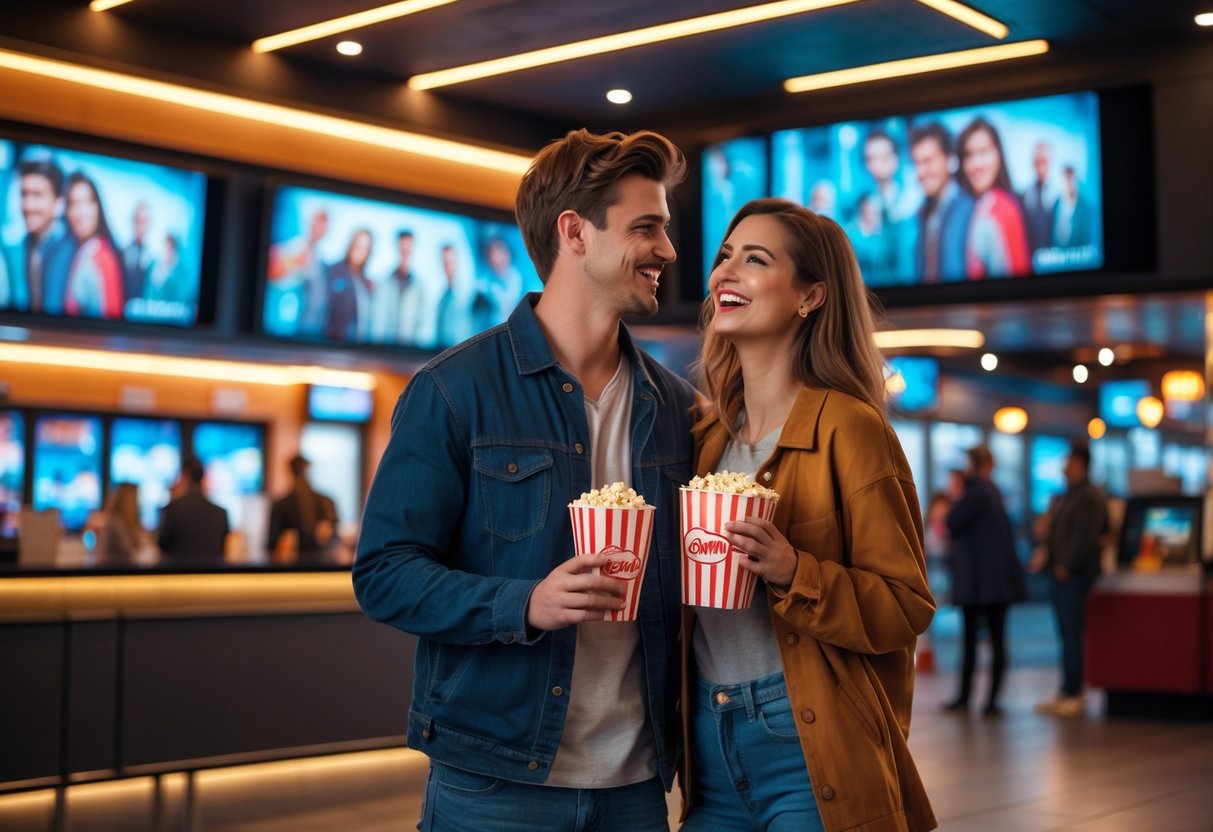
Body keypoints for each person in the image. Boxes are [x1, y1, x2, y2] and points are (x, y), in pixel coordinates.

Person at [353, 129, 694, 831]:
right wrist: (524, 603)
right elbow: (383, 573)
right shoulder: (454, 390)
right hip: (493, 780)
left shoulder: (677, 408)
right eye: (645, 228)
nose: (667, 250)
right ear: (574, 232)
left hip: (636, 785)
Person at [681, 197, 936, 831]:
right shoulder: (702, 437)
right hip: (708, 745)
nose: (726, 273)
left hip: (806, 741)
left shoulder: (850, 427)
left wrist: (795, 570)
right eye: (724, 257)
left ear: (810, 296)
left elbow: (906, 605)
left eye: (755, 259)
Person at [941, 445, 1027, 717]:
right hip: (999, 583)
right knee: (998, 640)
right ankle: (991, 701)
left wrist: (954, 495)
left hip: (977, 584)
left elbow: (952, 522)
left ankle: (965, 698)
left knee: (969, 642)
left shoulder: (974, 493)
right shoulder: (994, 492)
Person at [1032, 442, 1108, 717]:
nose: (1064, 465)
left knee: (1073, 634)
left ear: (1079, 464)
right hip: (1060, 574)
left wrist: (1067, 565)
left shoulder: (1087, 496)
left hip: (1074, 577)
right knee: (1066, 634)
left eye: (1068, 460)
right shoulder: (1068, 495)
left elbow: (1087, 537)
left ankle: (1075, 692)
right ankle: (1066, 689)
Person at [956, 118, 1031, 279]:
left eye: (984, 151)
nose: (976, 163)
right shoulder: (973, 207)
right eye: (968, 155)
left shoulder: (1002, 208)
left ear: (999, 154)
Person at [7, 156, 78, 314]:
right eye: (24, 194)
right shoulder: (18, 250)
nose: (27, 205)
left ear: (59, 203)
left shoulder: (74, 251)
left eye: (37, 195)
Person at [909, 123, 974, 282]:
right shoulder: (922, 214)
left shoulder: (970, 208)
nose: (920, 173)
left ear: (951, 160)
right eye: (916, 164)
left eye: (927, 161)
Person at [62, 172, 125, 319]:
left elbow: (110, 324)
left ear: (98, 206)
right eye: (73, 203)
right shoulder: (77, 252)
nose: (81, 212)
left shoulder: (102, 257)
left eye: (88, 202)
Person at [266, 208, 329, 336]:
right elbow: (273, 274)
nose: (320, 229)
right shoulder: (296, 246)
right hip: (287, 322)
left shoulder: (319, 255)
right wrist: (293, 263)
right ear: (311, 224)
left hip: (311, 326)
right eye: (318, 223)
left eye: (324, 226)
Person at [267, 454, 339, 566]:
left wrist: (329, 534)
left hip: (325, 565)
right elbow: (271, 544)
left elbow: (336, 538)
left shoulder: (326, 502)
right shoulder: (281, 505)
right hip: (292, 567)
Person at [158, 456, 230, 565]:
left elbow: (162, 545)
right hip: (212, 577)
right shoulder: (221, 513)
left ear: (184, 476)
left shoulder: (174, 508)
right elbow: (222, 551)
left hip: (179, 577)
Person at [324, 227, 374, 341]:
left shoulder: (365, 283)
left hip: (358, 347)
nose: (360, 252)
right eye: (358, 246)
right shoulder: (333, 271)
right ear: (351, 245)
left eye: (365, 249)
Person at [374, 229, 419, 344]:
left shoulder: (419, 287)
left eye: (407, 250)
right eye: (402, 249)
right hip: (383, 349)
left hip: (410, 353)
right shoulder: (383, 282)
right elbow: (378, 320)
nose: (405, 253)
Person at [1020, 140, 1056, 254]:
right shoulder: (1025, 195)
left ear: (1051, 162)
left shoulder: (1060, 195)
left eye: (1044, 160)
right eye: (1037, 161)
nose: (1040, 165)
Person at [102, 482, 146, 566]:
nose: (139, 503)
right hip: (118, 574)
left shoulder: (130, 523)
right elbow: (128, 552)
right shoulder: (115, 523)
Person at [1052, 165, 1095, 248]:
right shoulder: (1056, 203)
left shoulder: (1085, 207)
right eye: (1065, 179)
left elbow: (1087, 237)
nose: (1068, 183)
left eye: (1070, 179)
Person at [121, 200, 154, 304]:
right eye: (137, 220)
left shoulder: (155, 260)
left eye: (144, 221)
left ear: (149, 224)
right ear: (132, 221)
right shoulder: (120, 254)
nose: (140, 226)